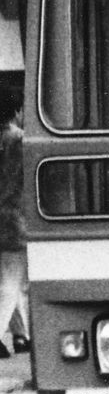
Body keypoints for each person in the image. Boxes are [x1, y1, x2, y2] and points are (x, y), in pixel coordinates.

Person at [0, 112, 27, 356]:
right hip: (14, 217)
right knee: (10, 281)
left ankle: (21, 335)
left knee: (11, 278)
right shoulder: (19, 140)